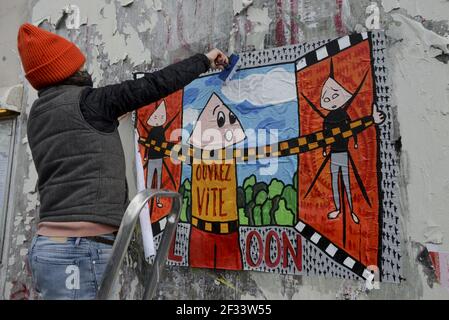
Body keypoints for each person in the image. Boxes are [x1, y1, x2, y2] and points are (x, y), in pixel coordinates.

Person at [17, 23, 228, 300]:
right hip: (80, 250)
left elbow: (75, 142)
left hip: (47, 248)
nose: (85, 70)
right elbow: (153, 85)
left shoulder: (37, 115)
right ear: (67, 70)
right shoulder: (93, 103)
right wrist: (205, 59)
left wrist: (104, 122)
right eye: (79, 66)